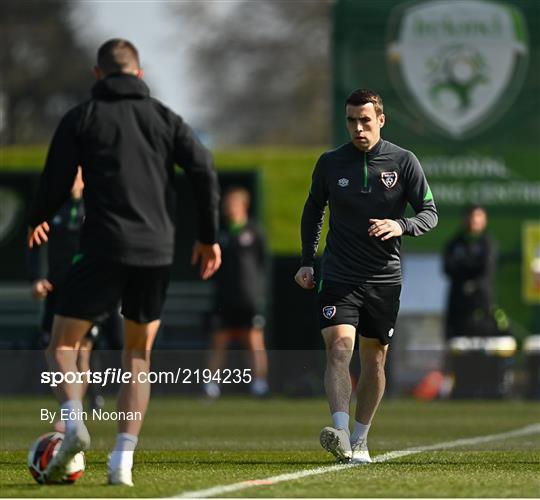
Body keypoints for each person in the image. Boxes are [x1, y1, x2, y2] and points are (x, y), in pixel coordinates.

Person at [28, 39, 221, 486]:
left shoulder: (83, 117)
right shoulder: (165, 118)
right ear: (138, 73)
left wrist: (39, 216)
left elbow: (56, 177)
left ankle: (74, 421)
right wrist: (208, 238)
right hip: (156, 252)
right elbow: (204, 171)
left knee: (61, 344)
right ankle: (121, 464)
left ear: (98, 75)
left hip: (103, 246)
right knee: (138, 355)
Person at [295, 89, 437, 463]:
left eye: (365, 120)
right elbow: (313, 212)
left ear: (381, 120)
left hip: (384, 279)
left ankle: (360, 438)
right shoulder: (330, 163)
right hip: (339, 275)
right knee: (340, 348)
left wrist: (400, 224)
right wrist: (308, 260)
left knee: (374, 360)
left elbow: (430, 212)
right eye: (351, 121)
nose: (358, 128)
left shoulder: (404, 162)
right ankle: (340, 432)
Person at [28, 167, 122, 418]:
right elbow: (35, 244)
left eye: (77, 174)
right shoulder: (52, 208)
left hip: (87, 290)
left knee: (81, 351)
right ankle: (71, 407)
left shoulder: (95, 208)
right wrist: (37, 279)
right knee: (57, 350)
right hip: (58, 291)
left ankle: (75, 412)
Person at [203, 186, 269, 399]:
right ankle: (211, 386)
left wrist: (258, 293)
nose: (228, 207)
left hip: (248, 298)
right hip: (224, 298)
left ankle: (259, 384)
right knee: (218, 341)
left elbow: (263, 263)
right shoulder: (220, 233)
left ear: (243, 206)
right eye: (226, 203)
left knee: (254, 341)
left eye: (232, 203)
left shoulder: (254, 231)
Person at [443, 205, 508, 338]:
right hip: (458, 307)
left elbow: (486, 269)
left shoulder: (488, 243)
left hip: (482, 304)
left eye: (478, 217)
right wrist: (469, 267)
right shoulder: (454, 243)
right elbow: (448, 268)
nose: (474, 220)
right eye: (471, 216)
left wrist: (464, 266)